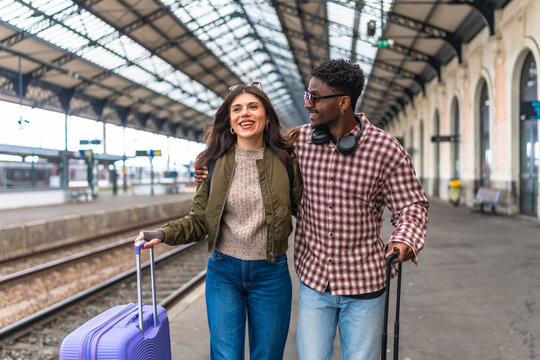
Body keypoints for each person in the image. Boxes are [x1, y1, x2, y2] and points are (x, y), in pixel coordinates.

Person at [194, 59, 429, 359]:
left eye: (314, 97)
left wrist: (404, 240)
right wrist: (207, 164)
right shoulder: (298, 142)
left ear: (343, 102)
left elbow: (412, 205)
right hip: (315, 282)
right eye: (307, 95)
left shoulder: (385, 149)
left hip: (365, 281)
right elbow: (251, 145)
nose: (308, 104)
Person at [135, 82, 302, 360]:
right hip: (224, 272)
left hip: (271, 273)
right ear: (231, 123)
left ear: (267, 117)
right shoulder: (212, 163)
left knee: (269, 355)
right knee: (225, 355)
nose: (244, 113)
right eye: (237, 109)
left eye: (253, 107)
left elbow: (304, 209)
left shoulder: (287, 161)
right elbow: (199, 219)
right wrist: (164, 234)